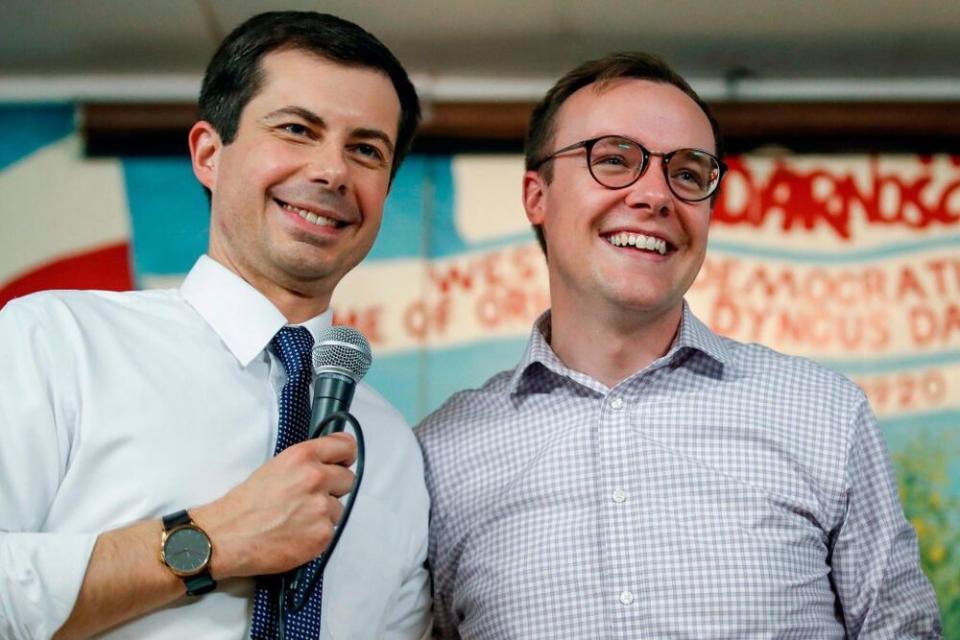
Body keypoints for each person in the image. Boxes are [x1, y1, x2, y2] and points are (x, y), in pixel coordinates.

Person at [416, 52, 942, 638]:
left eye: (688, 174)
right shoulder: (439, 456)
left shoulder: (825, 415)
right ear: (537, 196)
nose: (655, 195)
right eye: (614, 160)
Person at [0, 11, 430, 639]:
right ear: (208, 152)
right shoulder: (57, 342)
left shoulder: (392, 449)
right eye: (296, 129)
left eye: (366, 149)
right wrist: (210, 540)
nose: (333, 171)